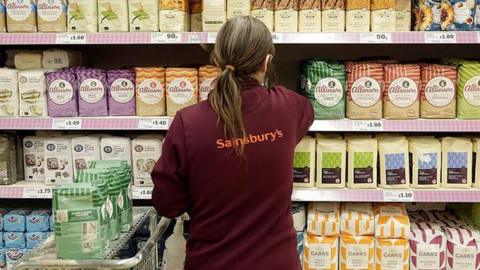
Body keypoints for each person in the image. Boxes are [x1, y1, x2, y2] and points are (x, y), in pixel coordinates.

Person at [151, 16, 314, 270]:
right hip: (277, 263)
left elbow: (168, 204)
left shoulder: (188, 122)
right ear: (267, 61)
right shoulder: (290, 107)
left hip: (213, 262)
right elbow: (306, 112)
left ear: (216, 60)